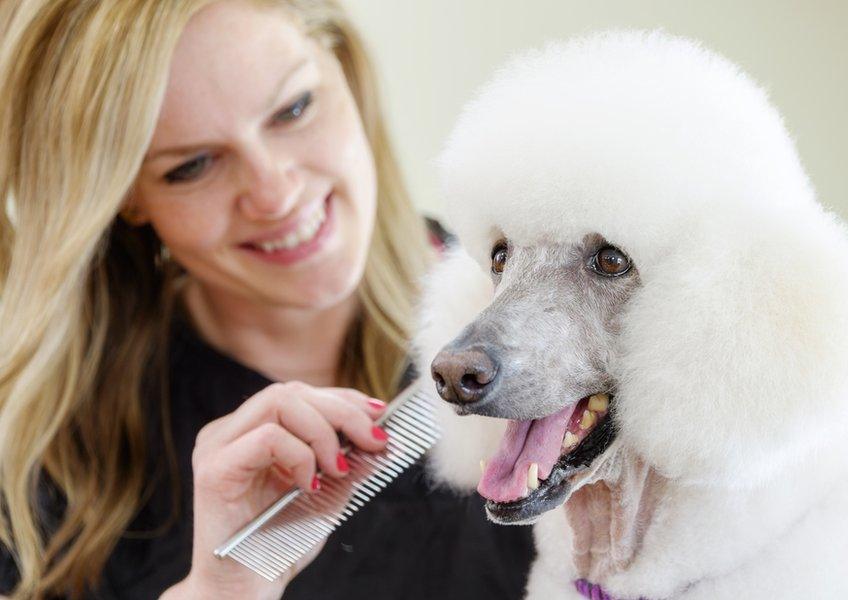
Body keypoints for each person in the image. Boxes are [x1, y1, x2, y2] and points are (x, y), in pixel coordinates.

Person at [0, 1, 534, 598]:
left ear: (346, 72)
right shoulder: (44, 472)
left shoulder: (563, 318)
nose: (275, 194)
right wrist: (219, 591)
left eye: (293, 109)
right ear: (127, 197)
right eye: (194, 165)